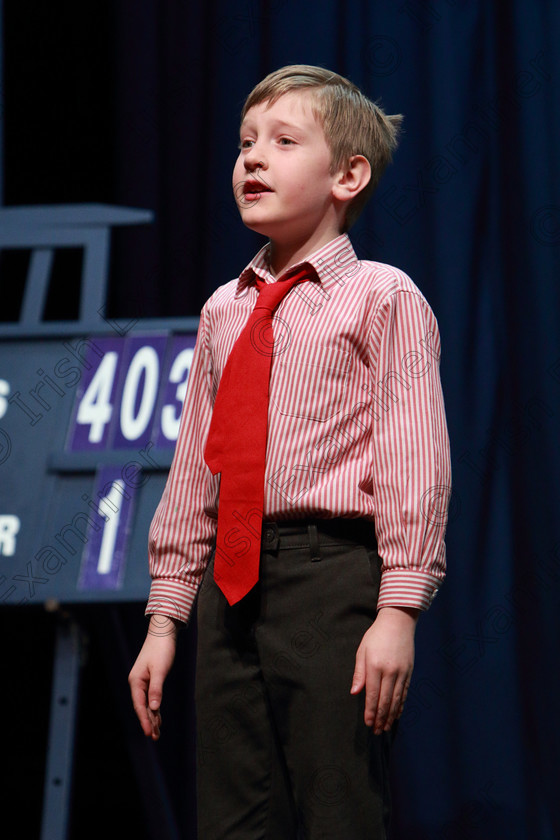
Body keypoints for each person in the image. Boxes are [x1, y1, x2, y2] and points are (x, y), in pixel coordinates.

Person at [129, 64, 451, 839]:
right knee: (233, 815)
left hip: (329, 577)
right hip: (228, 588)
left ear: (348, 174)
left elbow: (414, 457)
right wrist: (166, 618)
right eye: (244, 144)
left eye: (282, 141)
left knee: (337, 805)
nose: (253, 159)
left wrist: (397, 610)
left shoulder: (383, 296)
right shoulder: (223, 308)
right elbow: (193, 472)